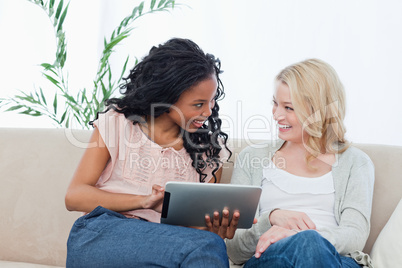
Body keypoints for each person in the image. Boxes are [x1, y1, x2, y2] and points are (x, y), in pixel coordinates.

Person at [65, 38, 237, 267]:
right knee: (205, 246)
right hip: (100, 234)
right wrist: (144, 201)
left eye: (212, 101)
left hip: (163, 248)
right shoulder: (118, 123)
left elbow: (194, 233)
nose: (208, 111)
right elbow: (74, 196)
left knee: (208, 243)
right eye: (198, 104)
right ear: (167, 98)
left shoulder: (208, 153)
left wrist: (216, 229)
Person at [226, 59, 375, 267]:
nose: (277, 115)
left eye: (288, 107)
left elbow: (355, 234)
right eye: (275, 103)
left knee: (309, 242)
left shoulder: (356, 163)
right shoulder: (252, 158)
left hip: (336, 259)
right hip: (271, 258)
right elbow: (234, 249)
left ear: (318, 112)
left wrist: (296, 236)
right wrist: (271, 219)